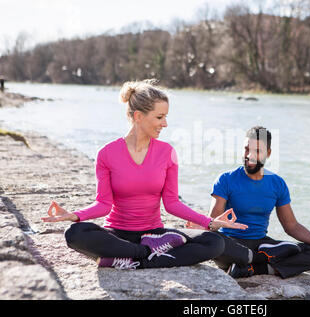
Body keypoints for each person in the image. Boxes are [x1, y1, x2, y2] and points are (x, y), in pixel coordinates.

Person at [41, 79, 247, 270]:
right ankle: (145, 254)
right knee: (75, 233)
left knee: (214, 241)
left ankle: (132, 260)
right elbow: (103, 204)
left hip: (155, 235)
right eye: (159, 117)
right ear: (138, 116)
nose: (165, 123)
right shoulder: (107, 154)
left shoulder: (167, 153)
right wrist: (75, 215)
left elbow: (172, 203)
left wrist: (209, 223)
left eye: (165, 117)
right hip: (117, 235)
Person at [200, 126, 310, 279]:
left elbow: (292, 226)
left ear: (268, 153)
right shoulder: (226, 179)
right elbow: (212, 223)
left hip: (260, 244)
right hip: (231, 244)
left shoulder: (277, 183)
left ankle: (253, 268)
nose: (250, 155)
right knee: (215, 243)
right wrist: (206, 225)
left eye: (257, 151)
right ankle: (265, 261)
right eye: (247, 149)